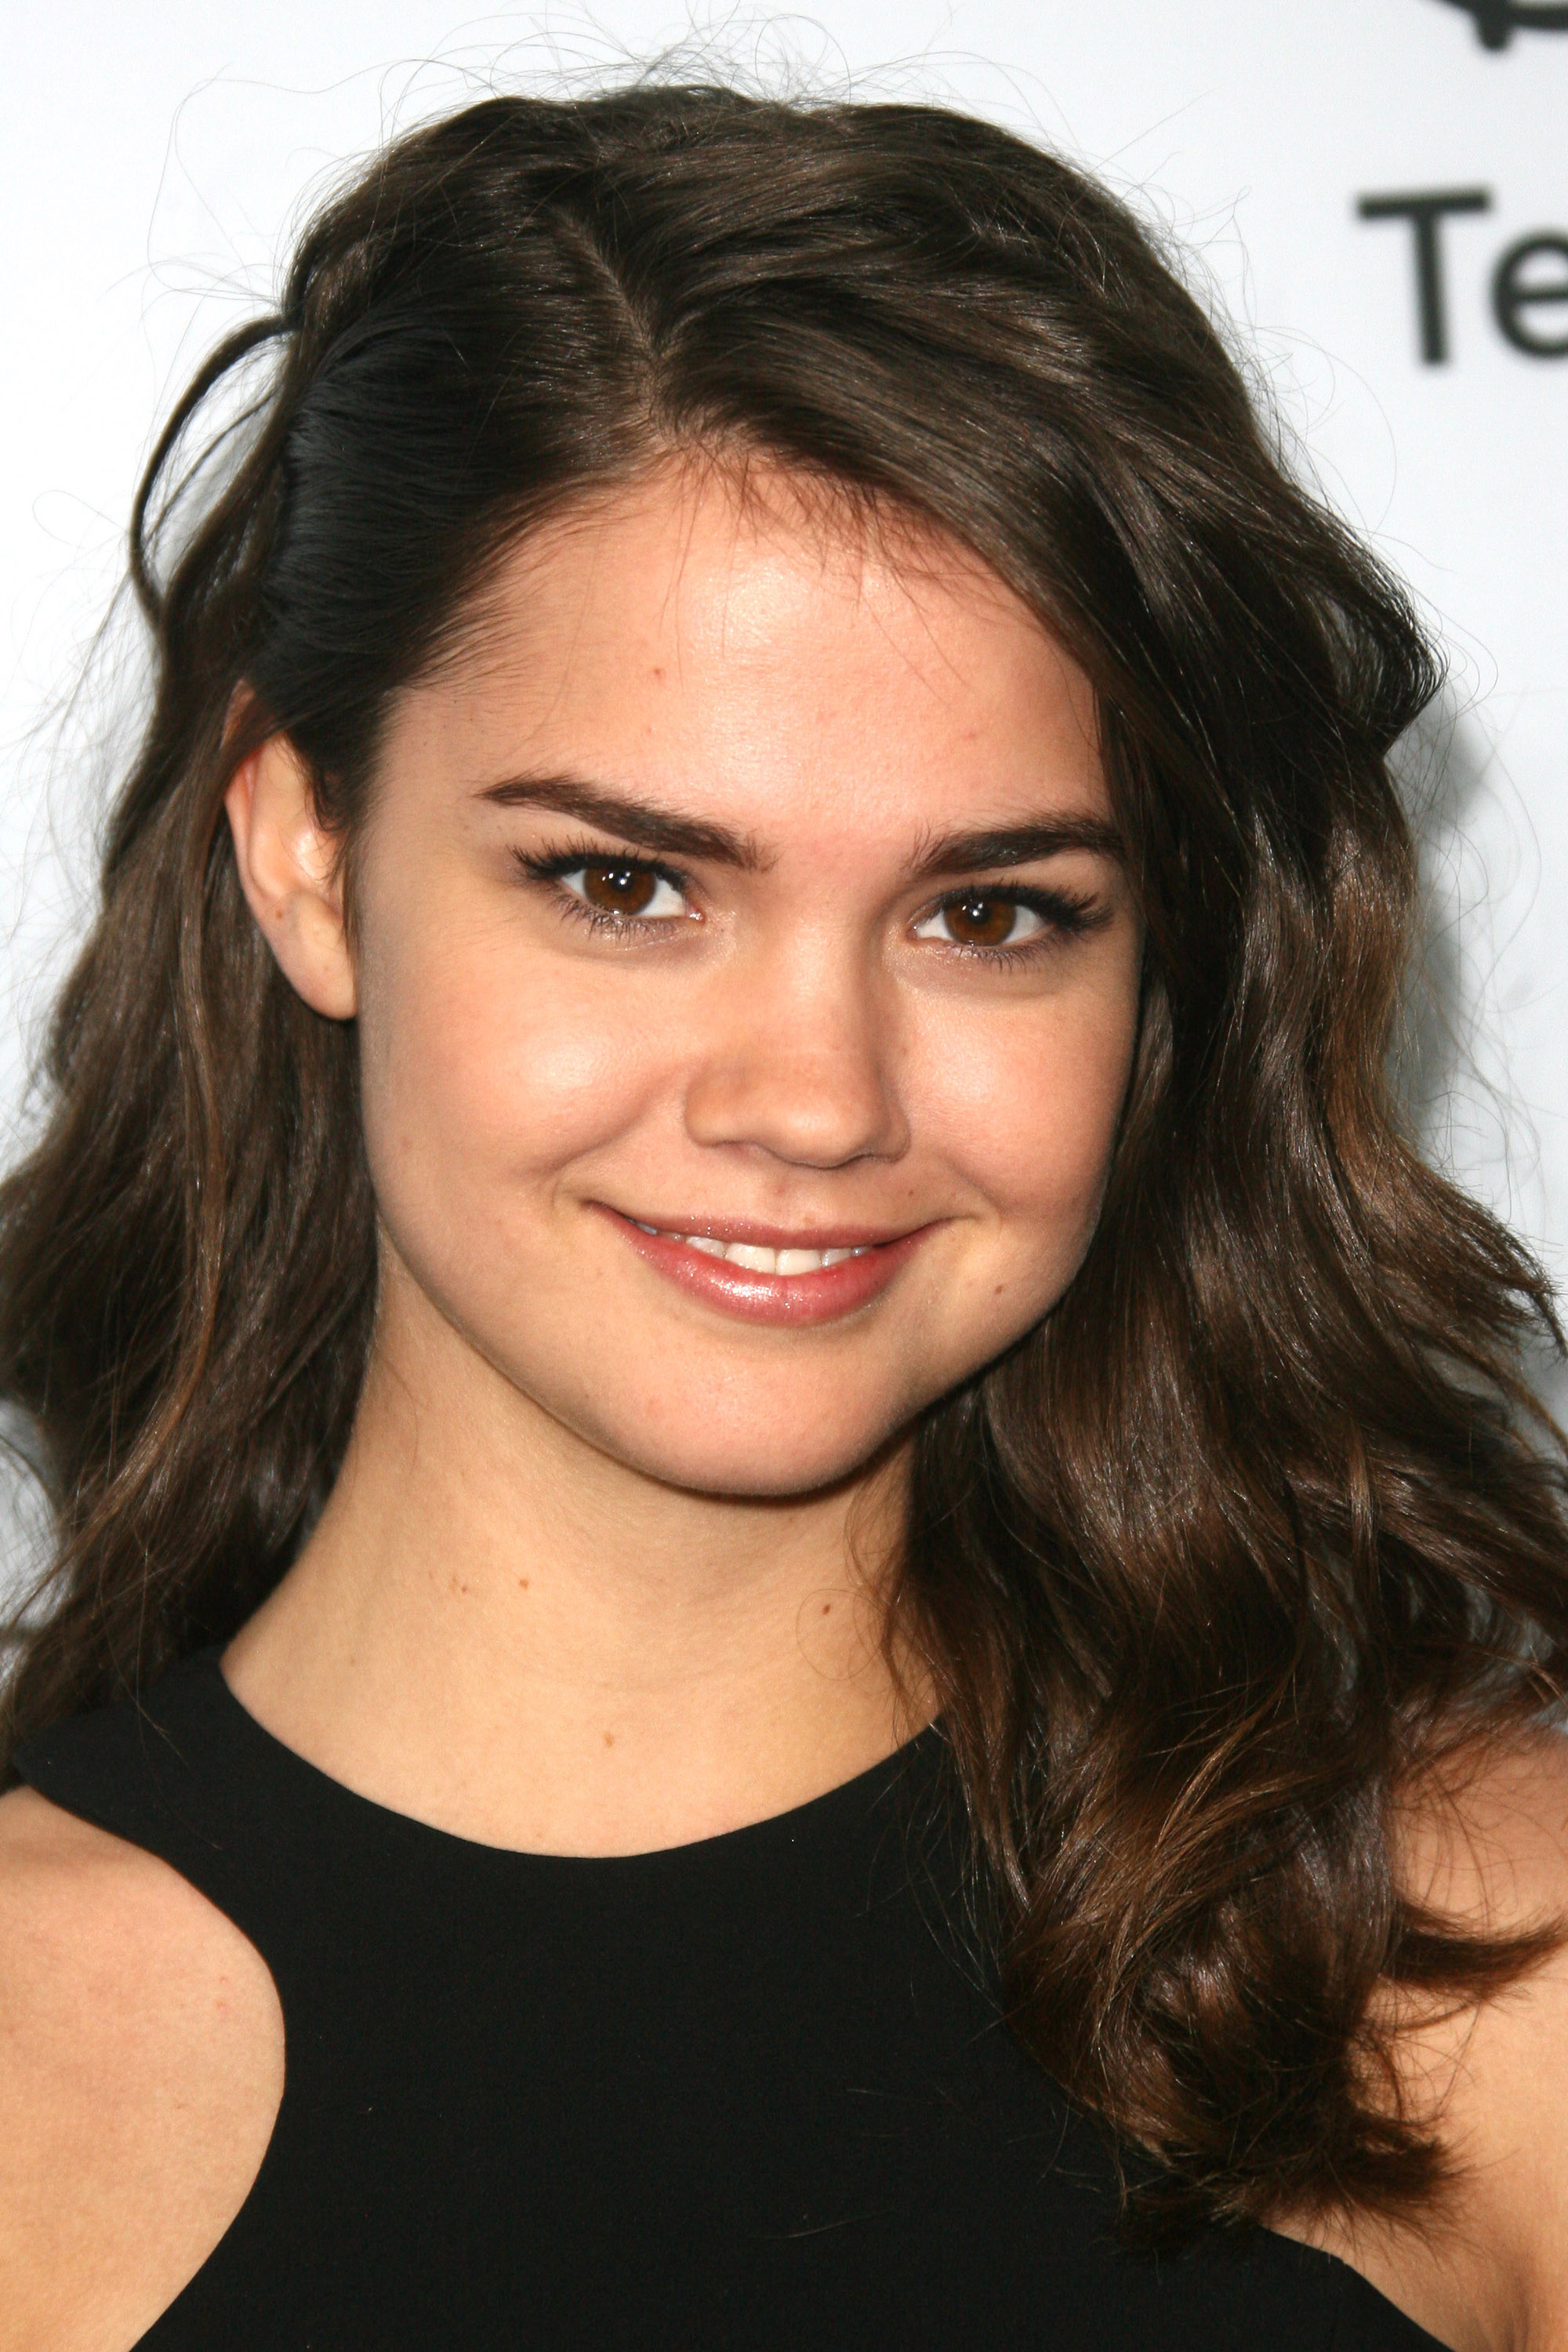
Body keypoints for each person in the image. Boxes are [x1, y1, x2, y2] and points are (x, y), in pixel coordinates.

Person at [0, 80, 1565, 2352]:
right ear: (307, 857)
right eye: (625, 885)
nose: (817, 1101)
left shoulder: (1484, 1969)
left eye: (992, 913)